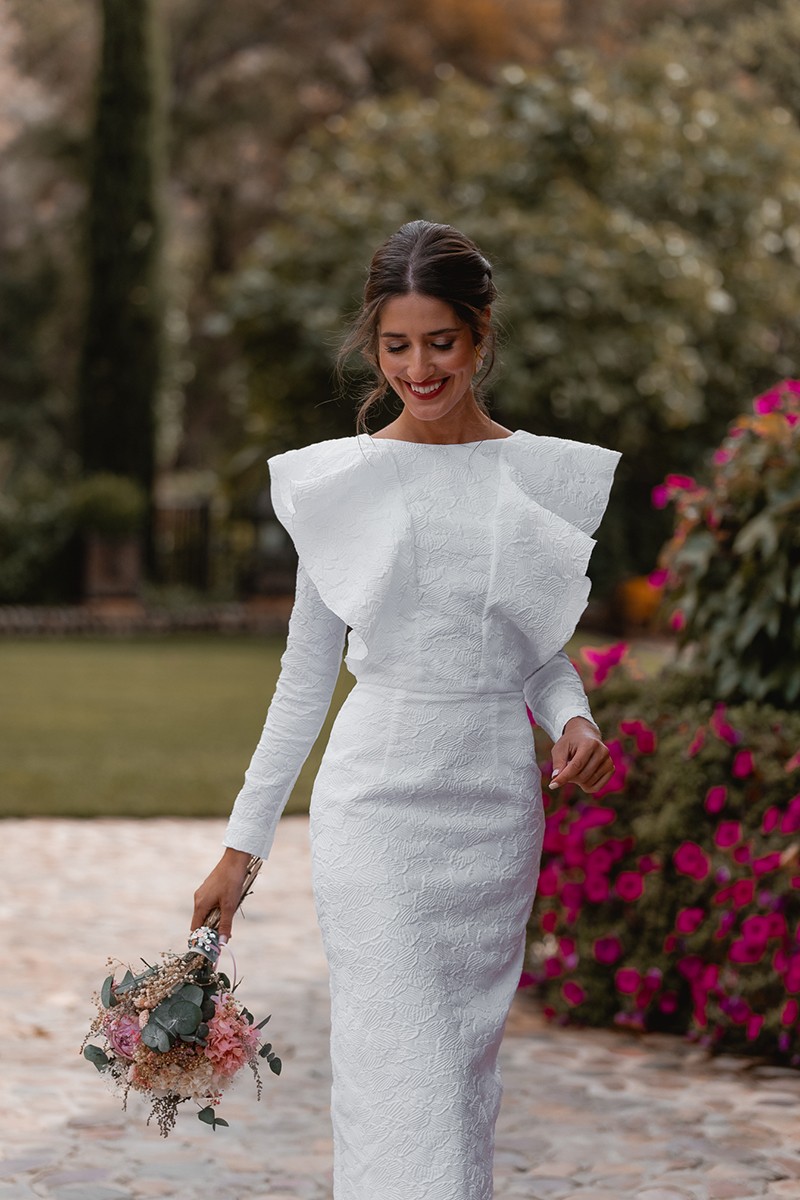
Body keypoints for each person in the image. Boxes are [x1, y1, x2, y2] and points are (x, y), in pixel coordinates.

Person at [192, 219, 621, 1199]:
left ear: (479, 336)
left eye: (440, 343)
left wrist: (575, 718)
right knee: (396, 1068)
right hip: (374, 810)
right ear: (372, 345)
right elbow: (304, 677)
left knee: (459, 1083)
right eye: (396, 346)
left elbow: (535, 654)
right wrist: (241, 848)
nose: (419, 369)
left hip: (491, 813)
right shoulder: (340, 484)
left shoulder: (533, 476)